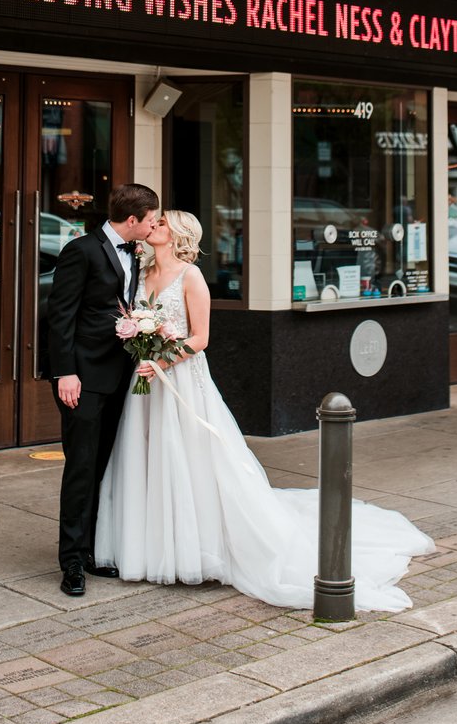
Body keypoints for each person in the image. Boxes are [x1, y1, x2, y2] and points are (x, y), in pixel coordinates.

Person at [96, 210, 434, 612]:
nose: (155, 226)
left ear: (179, 234)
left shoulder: (191, 277)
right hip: (148, 382)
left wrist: (162, 362)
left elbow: (201, 338)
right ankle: (148, 546)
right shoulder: (142, 272)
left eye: (164, 223)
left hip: (181, 380)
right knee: (146, 457)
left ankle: (196, 549)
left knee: (190, 459)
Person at [46, 182, 160, 596]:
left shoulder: (135, 251)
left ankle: (92, 550)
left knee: (101, 468)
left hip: (119, 376)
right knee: (80, 468)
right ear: (132, 220)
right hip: (82, 378)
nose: (153, 227)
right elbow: (59, 316)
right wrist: (64, 373)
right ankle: (71, 562)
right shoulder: (81, 251)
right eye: (150, 221)